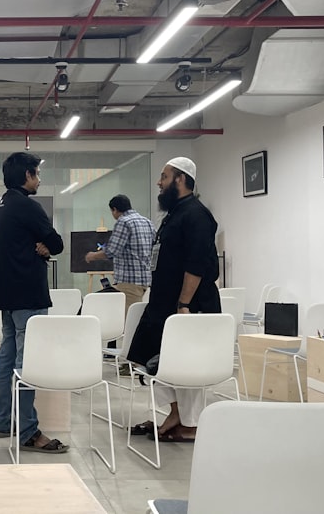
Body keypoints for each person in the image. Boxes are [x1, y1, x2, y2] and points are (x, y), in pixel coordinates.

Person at [127, 157, 220, 443]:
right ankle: (176, 413)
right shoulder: (175, 214)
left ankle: (189, 425)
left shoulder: (196, 215)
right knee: (149, 358)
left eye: (164, 177)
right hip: (165, 304)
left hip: (189, 306)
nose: (159, 182)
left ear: (180, 179)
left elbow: (196, 265)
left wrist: (184, 305)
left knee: (186, 365)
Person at [0, 152, 68, 454]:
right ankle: (28, 432)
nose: (39, 179)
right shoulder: (28, 206)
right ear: (27, 175)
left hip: (8, 294)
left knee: (7, 356)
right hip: (29, 294)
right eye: (36, 173)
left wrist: (42, 246)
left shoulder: (2, 206)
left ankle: (2, 422)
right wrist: (47, 248)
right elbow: (58, 243)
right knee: (26, 363)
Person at [84, 194, 155, 314]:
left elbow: (112, 250)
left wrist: (92, 256)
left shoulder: (123, 222)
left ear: (115, 209)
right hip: (146, 281)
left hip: (129, 281)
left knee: (128, 321)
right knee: (139, 316)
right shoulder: (147, 222)